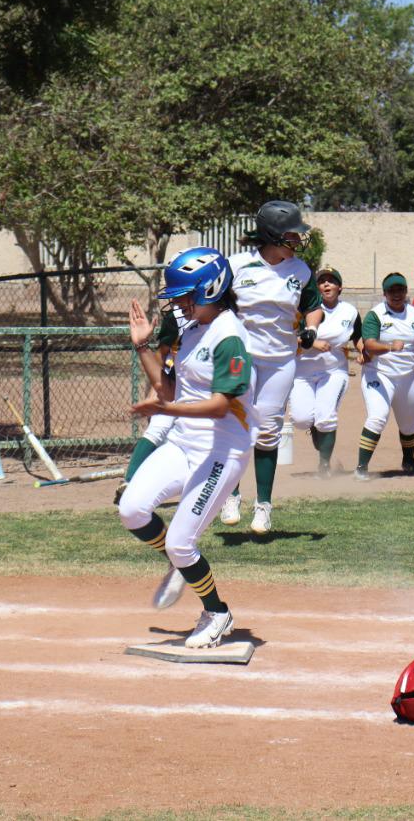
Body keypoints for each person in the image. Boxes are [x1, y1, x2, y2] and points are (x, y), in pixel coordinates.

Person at [116, 247, 257, 649]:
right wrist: (143, 347)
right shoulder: (192, 329)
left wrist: (166, 408)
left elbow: (219, 406)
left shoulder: (229, 336)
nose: (178, 302)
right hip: (185, 441)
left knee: (181, 542)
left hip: (222, 449)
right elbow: (168, 388)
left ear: (212, 289)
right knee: (132, 508)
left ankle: (217, 611)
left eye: (185, 294)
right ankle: (182, 565)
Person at [219, 201, 322, 535]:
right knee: (236, 423)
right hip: (242, 354)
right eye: (292, 233)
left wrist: (312, 328)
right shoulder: (236, 265)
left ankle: (263, 506)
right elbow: (215, 303)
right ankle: (230, 495)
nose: (297, 239)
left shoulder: (301, 271)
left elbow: (313, 308)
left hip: (280, 359)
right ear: (273, 234)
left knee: (267, 430)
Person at [354, 272, 414, 479]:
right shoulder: (376, 315)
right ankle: (361, 468)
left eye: (400, 289)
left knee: (409, 423)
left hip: (407, 377)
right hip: (379, 374)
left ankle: (409, 462)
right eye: (392, 290)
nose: (396, 294)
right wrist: (390, 346)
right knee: (377, 417)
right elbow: (370, 345)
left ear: (406, 291)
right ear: (385, 293)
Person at [288, 267, 360, 478]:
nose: (326, 284)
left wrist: (364, 349)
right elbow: (288, 338)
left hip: (333, 371)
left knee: (325, 417)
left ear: (340, 287)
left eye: (331, 281)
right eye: (322, 282)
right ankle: (315, 428)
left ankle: (324, 465)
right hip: (302, 372)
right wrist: (312, 343)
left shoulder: (349, 311)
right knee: (301, 419)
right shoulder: (304, 310)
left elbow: (358, 336)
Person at [115, 309, 182, 503]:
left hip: (203, 391)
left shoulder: (217, 318)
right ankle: (129, 482)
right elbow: (161, 357)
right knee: (158, 426)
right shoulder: (174, 318)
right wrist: (155, 394)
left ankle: (229, 495)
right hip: (174, 387)